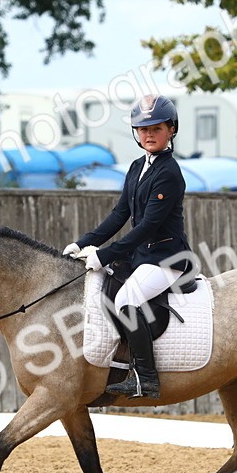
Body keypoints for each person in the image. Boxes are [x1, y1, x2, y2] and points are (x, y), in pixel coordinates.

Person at [63, 94, 191, 399]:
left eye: (156, 129)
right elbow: (120, 214)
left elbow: (147, 225)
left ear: (171, 129)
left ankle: (146, 378)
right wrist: (83, 243)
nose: (149, 135)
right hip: (143, 256)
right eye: (143, 129)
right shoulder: (137, 167)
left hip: (167, 259)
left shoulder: (169, 173)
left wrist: (104, 255)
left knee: (126, 300)